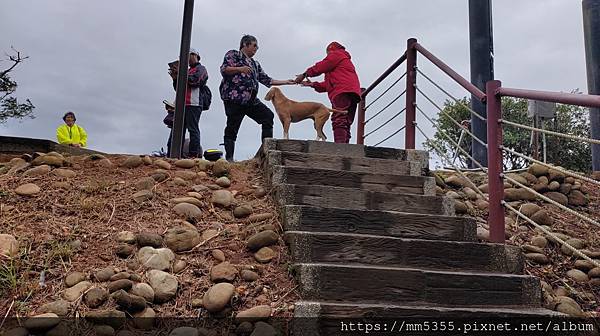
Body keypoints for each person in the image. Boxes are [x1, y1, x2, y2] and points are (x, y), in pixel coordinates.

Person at [219, 35, 295, 161]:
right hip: (234, 99)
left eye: (257, 46)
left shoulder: (255, 64)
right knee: (232, 127)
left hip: (251, 100)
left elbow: (266, 80)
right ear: (245, 44)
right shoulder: (233, 54)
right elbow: (224, 69)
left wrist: (287, 82)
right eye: (254, 45)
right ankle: (230, 158)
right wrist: (239, 69)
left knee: (267, 116)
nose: (256, 48)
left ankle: (264, 154)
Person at [295, 41, 361, 143]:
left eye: (327, 54)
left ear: (330, 49)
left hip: (341, 91)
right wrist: (313, 85)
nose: (327, 56)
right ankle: (345, 147)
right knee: (346, 121)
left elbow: (321, 66)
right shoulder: (342, 61)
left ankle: (340, 147)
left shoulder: (336, 54)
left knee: (339, 118)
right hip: (352, 92)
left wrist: (304, 74)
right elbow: (329, 84)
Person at [167, 48, 208, 158]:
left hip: (193, 104)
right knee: (177, 130)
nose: (185, 59)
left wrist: (181, 73)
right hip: (182, 104)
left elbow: (196, 81)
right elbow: (178, 88)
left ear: (194, 55)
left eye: (187, 56)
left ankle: (193, 155)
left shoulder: (201, 69)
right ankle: (173, 154)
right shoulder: (187, 71)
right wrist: (175, 78)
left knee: (192, 129)